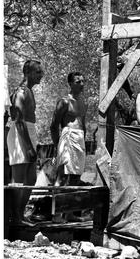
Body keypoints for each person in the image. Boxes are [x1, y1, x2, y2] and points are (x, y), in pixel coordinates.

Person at [7, 59, 44, 226]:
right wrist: (28, 147)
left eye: (41, 72)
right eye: (37, 72)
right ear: (27, 72)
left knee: (31, 178)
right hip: (20, 134)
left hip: (29, 131)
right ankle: (15, 217)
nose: (41, 75)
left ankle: (20, 215)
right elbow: (19, 121)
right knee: (20, 178)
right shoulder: (21, 92)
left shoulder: (29, 91)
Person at [50, 71, 88, 221]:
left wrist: (84, 138)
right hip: (68, 136)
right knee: (62, 175)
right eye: (78, 81)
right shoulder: (64, 101)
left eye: (83, 81)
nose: (82, 84)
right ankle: (56, 214)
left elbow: (83, 122)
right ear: (71, 84)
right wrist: (56, 144)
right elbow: (53, 125)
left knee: (76, 177)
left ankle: (70, 213)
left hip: (80, 138)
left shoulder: (83, 101)